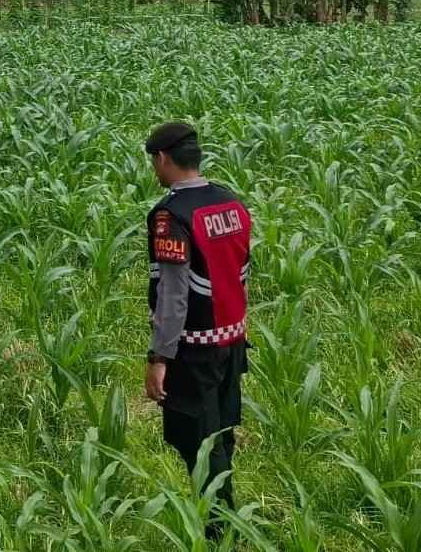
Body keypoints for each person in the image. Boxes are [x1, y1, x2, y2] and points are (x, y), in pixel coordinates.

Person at [143, 122, 252, 534]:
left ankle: (221, 531)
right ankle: (224, 522)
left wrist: (159, 357)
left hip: (194, 348)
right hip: (232, 339)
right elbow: (241, 271)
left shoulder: (171, 216)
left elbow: (173, 296)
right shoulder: (231, 203)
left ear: (162, 159)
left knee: (201, 443)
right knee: (221, 433)